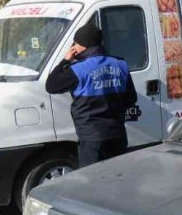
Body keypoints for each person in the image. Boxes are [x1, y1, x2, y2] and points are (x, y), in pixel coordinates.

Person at [45, 24, 137, 167]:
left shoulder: (78, 70)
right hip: (117, 135)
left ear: (83, 45)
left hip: (92, 139)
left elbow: (51, 85)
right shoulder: (120, 64)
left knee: (92, 179)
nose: (73, 46)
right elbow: (131, 99)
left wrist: (65, 60)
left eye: (75, 43)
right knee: (118, 175)